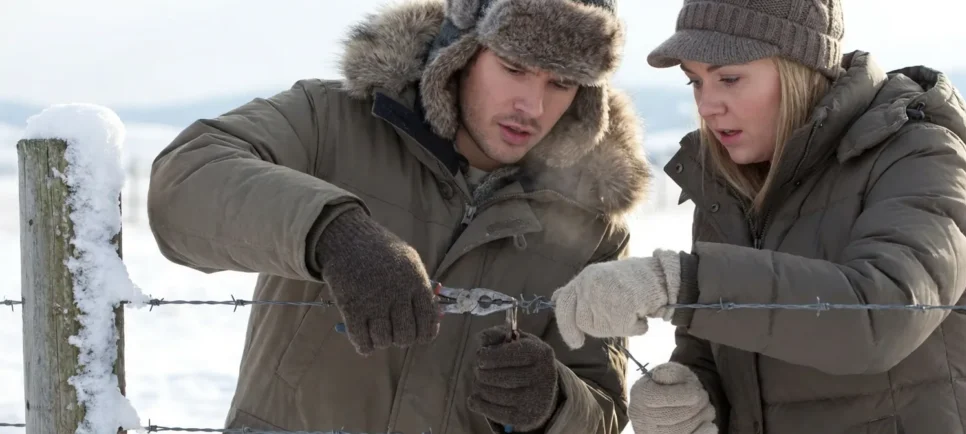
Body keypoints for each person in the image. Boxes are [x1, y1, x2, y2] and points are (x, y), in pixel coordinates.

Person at [146, 0, 652, 432]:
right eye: (514, 67)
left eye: (562, 82)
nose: (533, 105)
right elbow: (184, 179)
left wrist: (554, 402)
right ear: (462, 51)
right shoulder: (333, 121)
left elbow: (602, 410)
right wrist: (333, 234)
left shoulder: (592, 228)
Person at [550, 0, 966, 433]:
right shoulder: (727, 186)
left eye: (729, 78)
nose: (707, 105)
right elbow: (718, 343)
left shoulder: (919, 154)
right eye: (695, 82)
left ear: (798, 68)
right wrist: (692, 398)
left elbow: (883, 316)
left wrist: (678, 282)